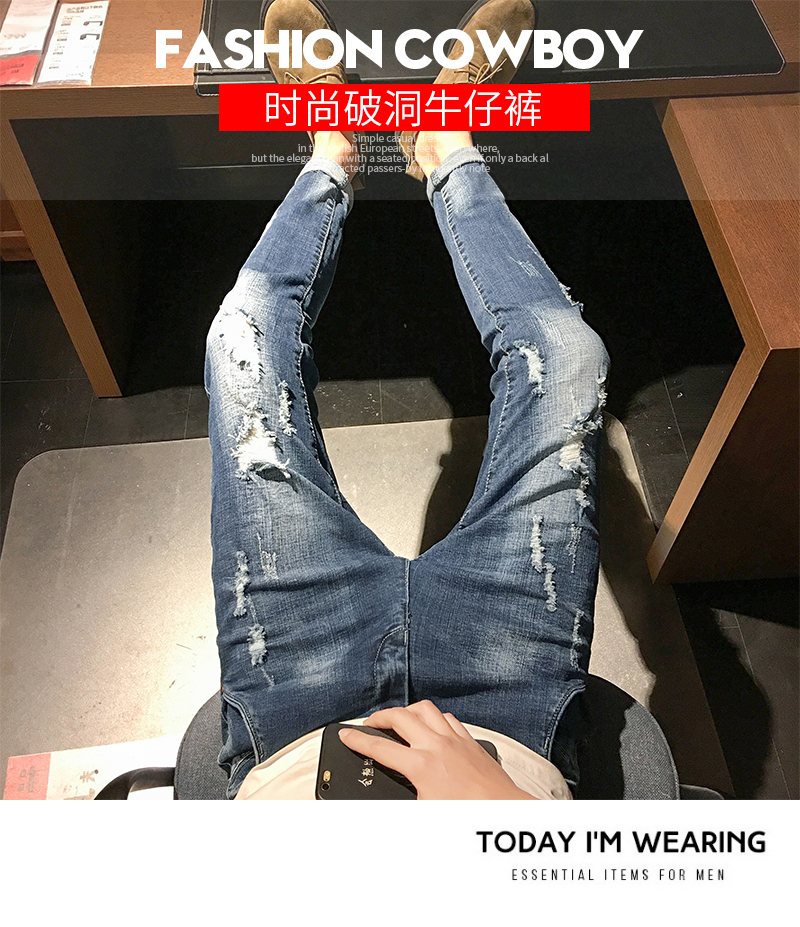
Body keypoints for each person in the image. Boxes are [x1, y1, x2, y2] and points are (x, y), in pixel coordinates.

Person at [204, 0, 609, 800]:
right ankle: (446, 142)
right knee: (568, 356)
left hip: (301, 719)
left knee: (239, 337)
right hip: (504, 720)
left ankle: (332, 146)